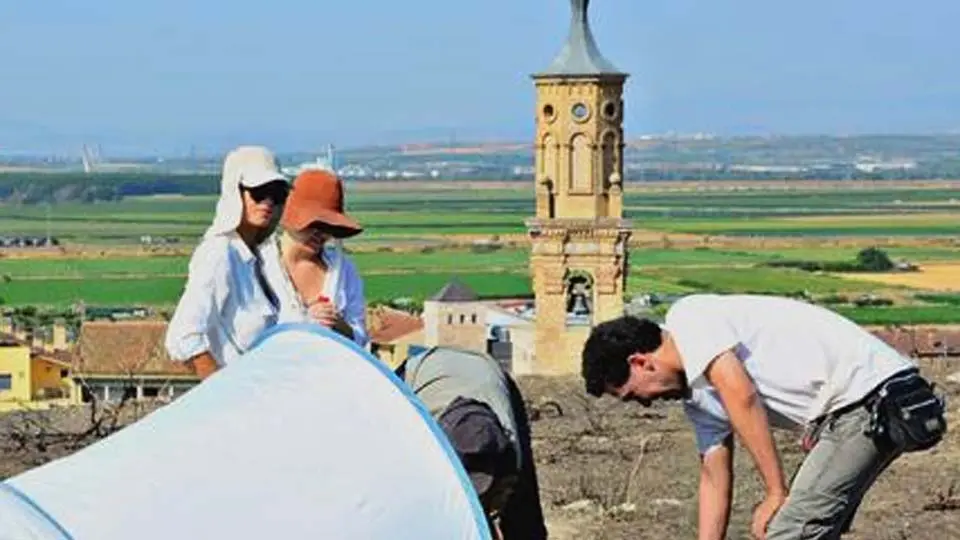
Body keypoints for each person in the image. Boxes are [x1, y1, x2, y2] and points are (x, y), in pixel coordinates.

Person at [580, 294, 947, 540]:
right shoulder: (699, 397)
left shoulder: (689, 317)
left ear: (640, 362)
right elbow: (714, 477)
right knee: (806, 527)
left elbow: (742, 394)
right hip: (848, 412)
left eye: (633, 394)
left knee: (790, 530)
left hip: (869, 396)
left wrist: (775, 491)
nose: (644, 404)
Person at [395, 346, 548, 540]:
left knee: (522, 513)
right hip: (421, 370)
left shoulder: (509, 454)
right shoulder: (420, 439)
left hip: (490, 374)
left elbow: (524, 522)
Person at [165, 146, 289, 379]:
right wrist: (222, 393)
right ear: (236, 192)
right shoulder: (219, 254)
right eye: (259, 192)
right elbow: (183, 336)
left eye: (277, 193)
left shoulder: (259, 258)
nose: (268, 202)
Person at [260, 168, 369, 348]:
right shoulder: (259, 267)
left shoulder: (344, 271)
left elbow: (360, 339)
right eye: (313, 224)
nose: (321, 234)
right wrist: (305, 324)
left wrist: (339, 325)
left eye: (329, 227)